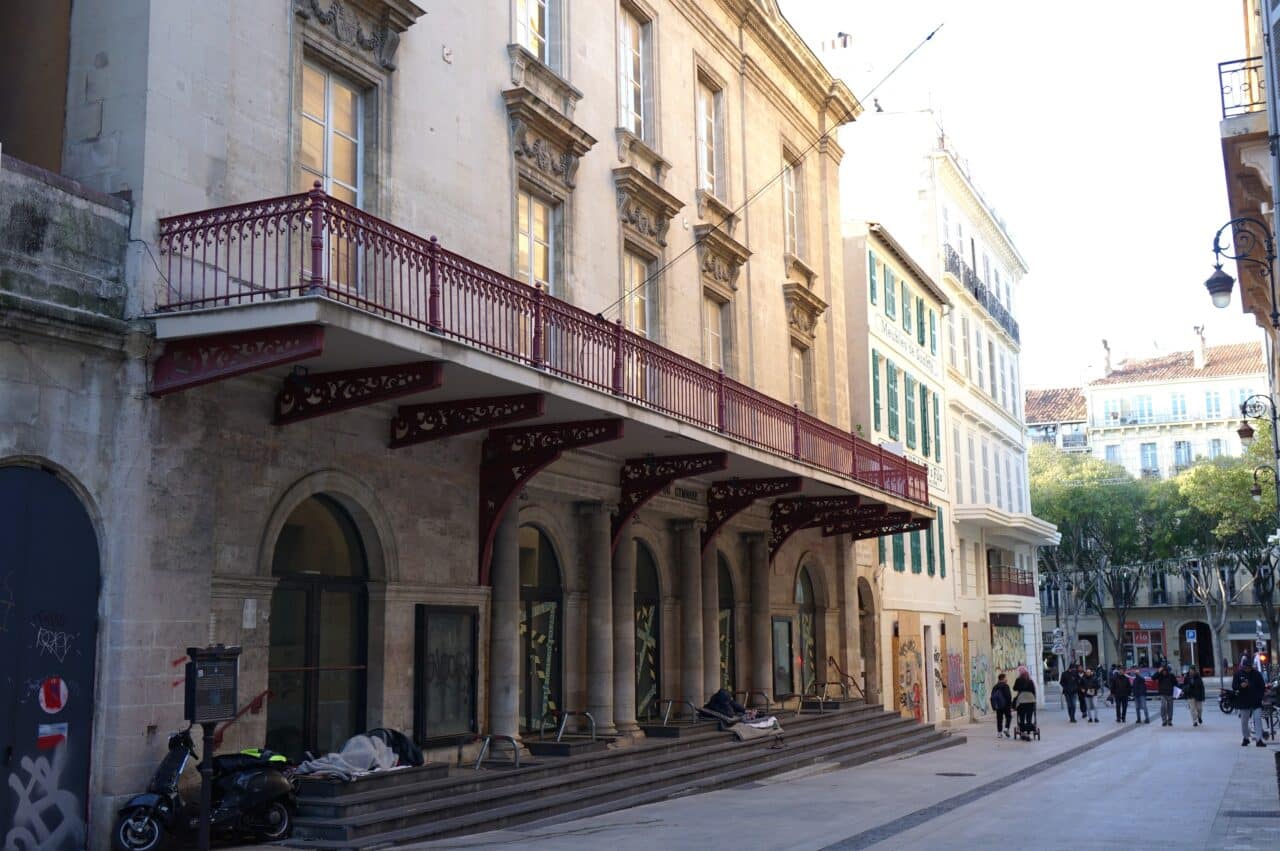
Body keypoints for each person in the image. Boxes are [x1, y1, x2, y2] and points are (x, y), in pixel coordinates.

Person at [1232, 658, 1267, 747]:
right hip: (1244, 701)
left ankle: (1259, 739)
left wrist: (1260, 696)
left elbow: (1262, 686)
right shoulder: (1238, 674)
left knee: (1258, 720)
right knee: (1244, 721)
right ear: (1243, 666)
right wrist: (1240, 686)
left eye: (1249, 667)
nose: (1247, 668)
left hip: (1256, 701)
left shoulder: (1256, 674)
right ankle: (1246, 738)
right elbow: (1234, 686)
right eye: (1246, 667)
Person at [1012, 666, 1037, 741]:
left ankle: (1022, 732)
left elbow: (1014, 688)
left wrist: (1020, 688)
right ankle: (1029, 729)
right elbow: (1033, 691)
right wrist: (1034, 699)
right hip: (1030, 700)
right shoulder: (1030, 680)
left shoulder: (1018, 680)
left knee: (1021, 716)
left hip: (1021, 700)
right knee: (1029, 716)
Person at [991, 673, 1013, 739]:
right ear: (1003, 678)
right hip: (1006, 705)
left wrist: (994, 706)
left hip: (998, 705)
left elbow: (992, 697)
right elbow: (1008, 696)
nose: (1007, 679)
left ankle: (999, 733)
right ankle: (1006, 728)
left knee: (999, 719)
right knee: (1008, 716)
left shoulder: (995, 686)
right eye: (1006, 678)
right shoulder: (1005, 686)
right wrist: (1010, 705)